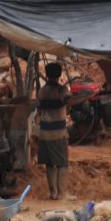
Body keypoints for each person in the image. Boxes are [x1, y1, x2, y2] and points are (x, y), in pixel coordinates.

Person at [37, 62, 73, 200]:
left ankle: (53, 193)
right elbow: (70, 102)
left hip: (44, 133)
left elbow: (39, 110)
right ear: (59, 74)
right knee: (62, 163)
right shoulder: (61, 90)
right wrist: (87, 96)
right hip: (58, 133)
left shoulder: (41, 91)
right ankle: (62, 193)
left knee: (50, 163)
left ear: (47, 74)